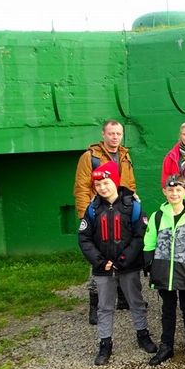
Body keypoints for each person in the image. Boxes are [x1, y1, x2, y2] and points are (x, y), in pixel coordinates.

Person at [78, 161, 157, 365]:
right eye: (98, 185)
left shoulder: (133, 206)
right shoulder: (93, 209)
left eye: (106, 183)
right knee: (104, 306)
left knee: (136, 302)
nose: (103, 188)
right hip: (103, 268)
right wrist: (99, 261)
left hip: (128, 266)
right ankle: (105, 343)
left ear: (115, 181)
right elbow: (84, 238)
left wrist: (123, 260)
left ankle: (142, 334)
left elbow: (140, 236)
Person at [73, 119, 137, 324]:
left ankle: (123, 299)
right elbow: (82, 188)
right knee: (98, 259)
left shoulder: (125, 155)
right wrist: (86, 216)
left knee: (122, 251)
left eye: (118, 133)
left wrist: (131, 207)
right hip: (98, 214)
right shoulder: (90, 157)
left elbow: (130, 184)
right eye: (111, 133)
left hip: (120, 213)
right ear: (103, 134)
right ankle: (95, 305)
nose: (115, 137)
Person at [143, 174, 185, 366]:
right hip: (164, 271)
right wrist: (149, 264)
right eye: (170, 190)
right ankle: (166, 346)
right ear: (164, 191)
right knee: (167, 309)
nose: (174, 193)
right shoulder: (157, 216)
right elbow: (149, 241)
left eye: (178, 190)